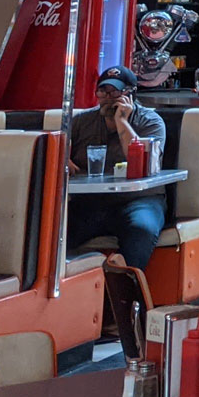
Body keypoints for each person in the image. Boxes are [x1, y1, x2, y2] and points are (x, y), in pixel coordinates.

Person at [67, 65, 169, 270]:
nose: (108, 97)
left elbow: (146, 166)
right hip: (91, 201)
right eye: (103, 91)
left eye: (115, 92)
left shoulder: (150, 121)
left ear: (131, 94)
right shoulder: (81, 121)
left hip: (139, 199)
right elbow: (58, 149)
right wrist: (62, 158)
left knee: (142, 229)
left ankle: (125, 291)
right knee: (54, 229)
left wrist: (122, 121)